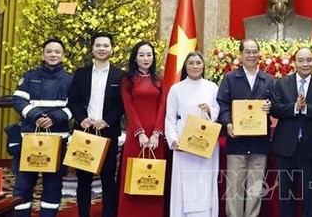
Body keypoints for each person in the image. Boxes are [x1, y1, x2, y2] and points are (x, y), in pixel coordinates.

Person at [270, 47, 312, 217]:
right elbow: (274, 109)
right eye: (301, 60)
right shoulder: (282, 83)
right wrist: (295, 107)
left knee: (310, 195)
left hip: (311, 149)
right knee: (286, 194)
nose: (305, 64)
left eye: (309, 60)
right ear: (294, 62)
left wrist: (306, 109)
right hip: (285, 148)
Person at [12, 38, 73, 217]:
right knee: (23, 184)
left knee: (53, 185)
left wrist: (54, 118)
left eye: (57, 52)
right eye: (49, 51)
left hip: (58, 139)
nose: (53, 54)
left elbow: (77, 106)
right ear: (43, 54)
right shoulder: (30, 76)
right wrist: (36, 115)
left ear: (63, 55)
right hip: (30, 139)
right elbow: (18, 100)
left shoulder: (70, 80)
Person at [67, 32, 124, 217]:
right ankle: (84, 214)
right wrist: (81, 118)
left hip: (108, 132)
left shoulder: (120, 76)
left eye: (106, 45)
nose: (102, 49)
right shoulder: (81, 73)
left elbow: (122, 104)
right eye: (98, 45)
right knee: (84, 180)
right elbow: (72, 101)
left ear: (112, 49)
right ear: (92, 48)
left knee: (108, 179)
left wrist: (107, 120)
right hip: (85, 132)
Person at [216, 39, 274, 217]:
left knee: (255, 189)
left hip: (259, 144)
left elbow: (278, 105)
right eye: (247, 52)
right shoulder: (231, 79)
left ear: (259, 54)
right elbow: (222, 104)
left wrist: (270, 107)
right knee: (234, 188)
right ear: (241, 55)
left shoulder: (269, 80)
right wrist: (228, 123)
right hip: (237, 142)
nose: (251, 55)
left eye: (254, 51)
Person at [165, 51, 220, 217]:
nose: (195, 66)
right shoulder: (176, 89)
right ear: (185, 66)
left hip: (206, 143)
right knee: (184, 183)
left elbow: (219, 111)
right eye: (191, 63)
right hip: (184, 144)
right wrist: (174, 141)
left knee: (205, 183)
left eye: (198, 63)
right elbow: (170, 118)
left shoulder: (212, 87)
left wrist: (209, 110)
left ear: (203, 66)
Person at [117, 41, 166, 216]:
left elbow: (163, 107)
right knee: (134, 175)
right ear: (135, 58)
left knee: (153, 176)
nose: (146, 59)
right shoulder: (127, 80)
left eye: (149, 55)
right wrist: (140, 134)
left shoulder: (159, 80)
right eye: (142, 55)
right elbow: (128, 108)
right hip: (136, 135)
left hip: (156, 138)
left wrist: (156, 134)